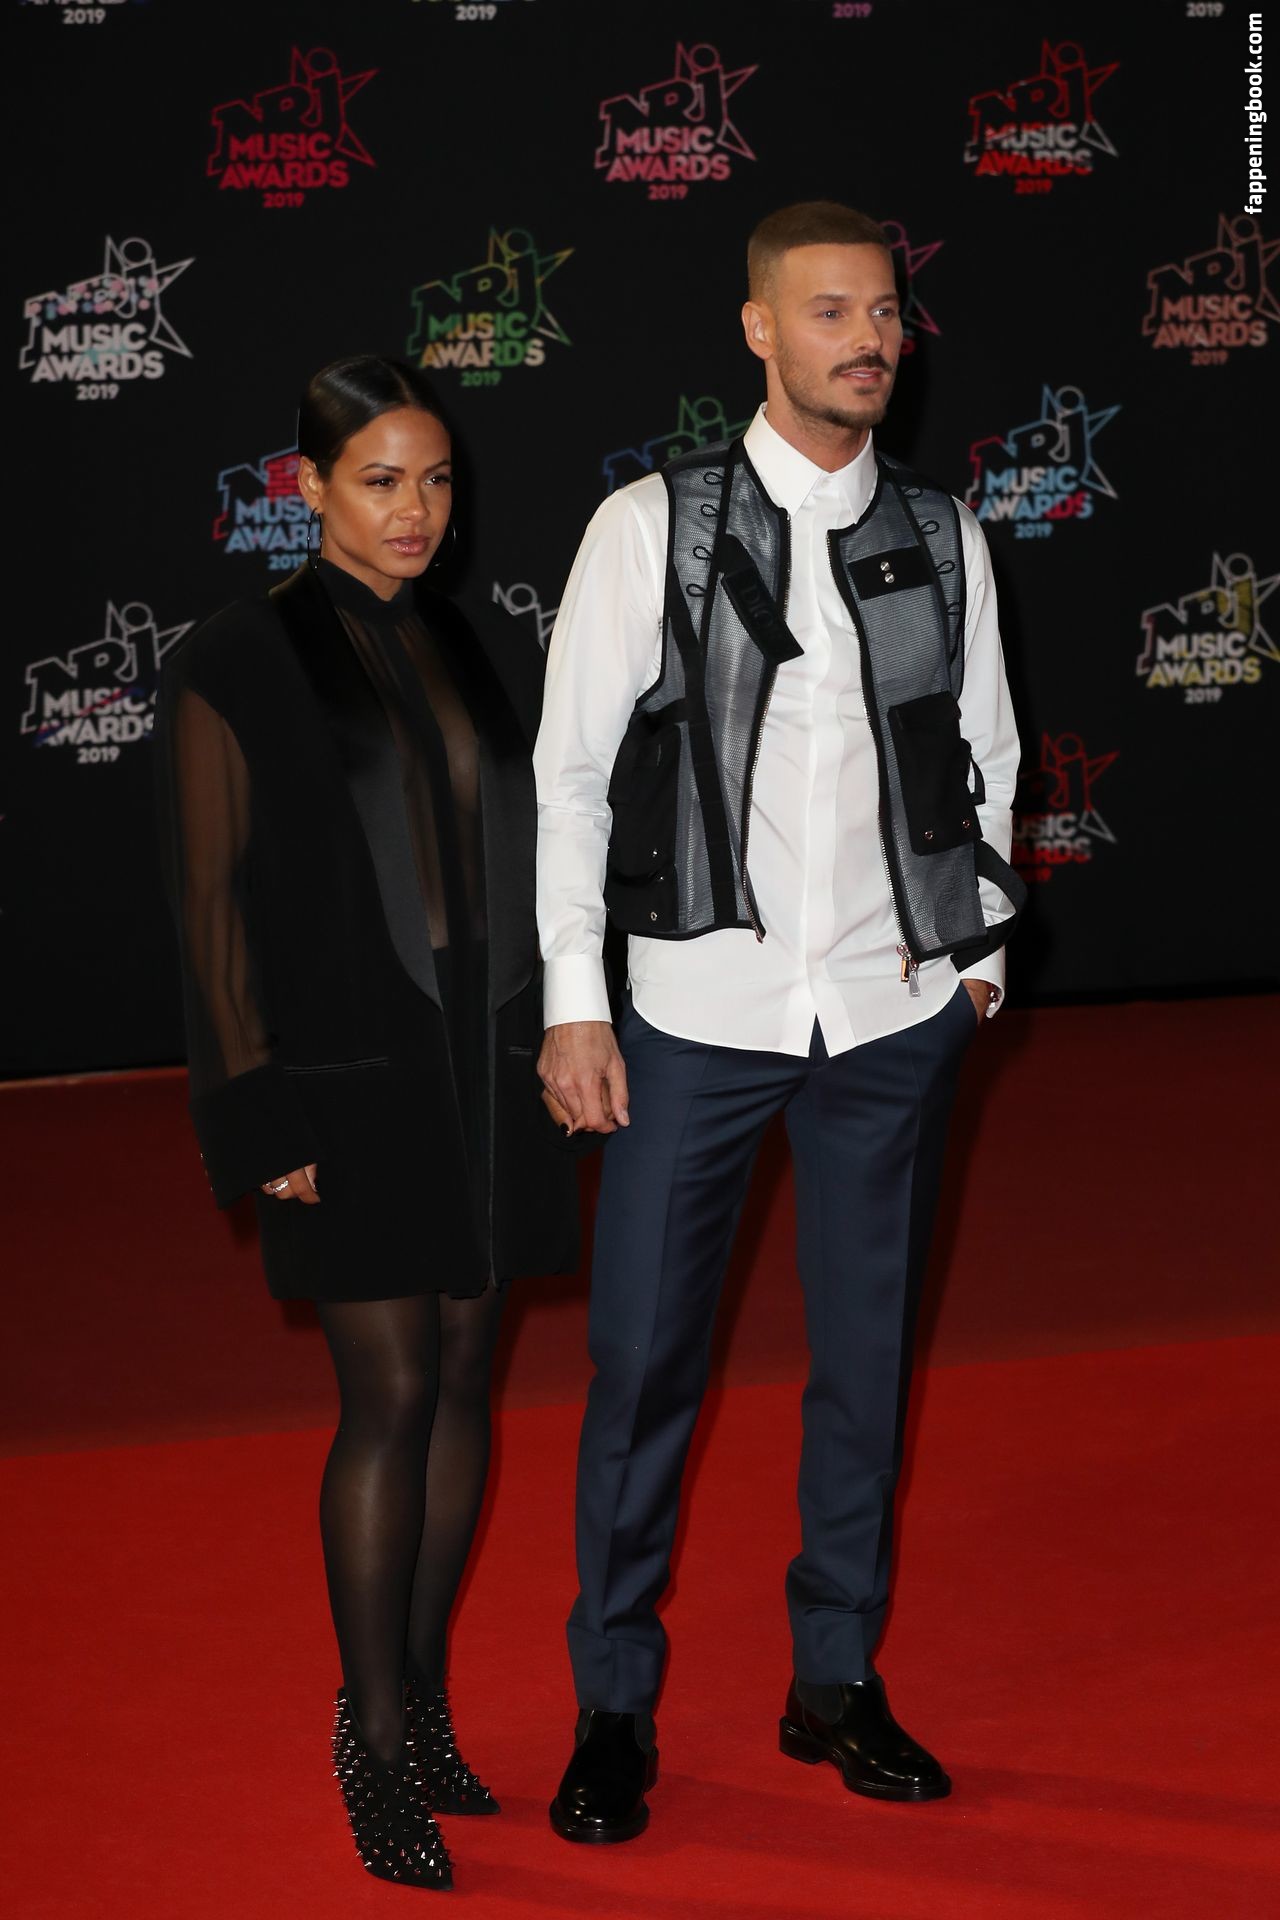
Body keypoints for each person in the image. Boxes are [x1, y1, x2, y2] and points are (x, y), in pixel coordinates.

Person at [534, 202, 1025, 1841]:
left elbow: (988, 755)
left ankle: (835, 1680)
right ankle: (614, 1701)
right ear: (759, 330)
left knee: (866, 1372)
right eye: (829, 312)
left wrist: (976, 966)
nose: (867, 339)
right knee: (641, 1364)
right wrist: (576, 1003)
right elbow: (570, 779)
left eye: (883, 312)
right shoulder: (654, 527)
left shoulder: (946, 536)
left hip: (890, 1016)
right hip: (696, 1012)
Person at [157, 355, 580, 1890]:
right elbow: (208, 905)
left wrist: (557, 1033)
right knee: (390, 1394)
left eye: (439, 480)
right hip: (346, 1077)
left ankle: (428, 1700)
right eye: (383, 481)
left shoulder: (460, 636)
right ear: (310, 487)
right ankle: (377, 1742)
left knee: (467, 1375)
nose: (418, 512)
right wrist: (255, 1106)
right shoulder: (233, 657)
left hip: (482, 1062)